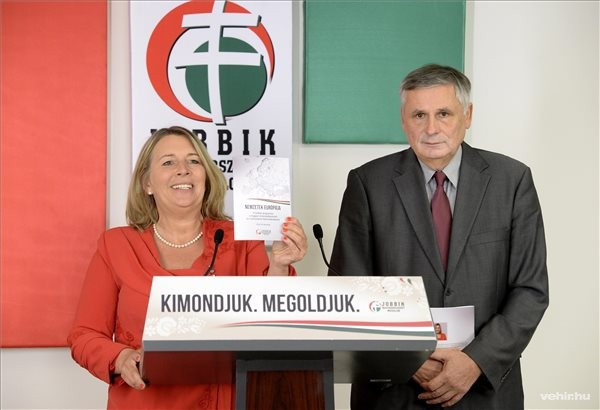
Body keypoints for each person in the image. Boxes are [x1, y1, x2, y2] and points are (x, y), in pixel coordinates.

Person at [329, 64, 548, 409]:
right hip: (395, 392)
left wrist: (474, 361)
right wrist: (409, 358)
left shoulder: (512, 181)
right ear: (404, 120)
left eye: (444, 113)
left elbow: (530, 290)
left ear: (468, 115)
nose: (431, 129)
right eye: (419, 115)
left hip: (485, 391)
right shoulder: (367, 184)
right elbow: (348, 291)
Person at [68, 126, 307, 409]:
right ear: (147, 183)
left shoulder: (242, 241)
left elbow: (273, 324)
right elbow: (84, 335)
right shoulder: (116, 245)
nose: (183, 170)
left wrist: (279, 265)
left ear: (206, 177)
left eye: (194, 161)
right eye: (168, 162)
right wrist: (120, 358)